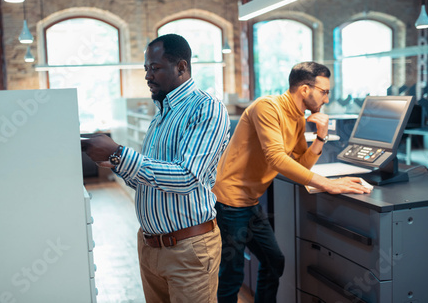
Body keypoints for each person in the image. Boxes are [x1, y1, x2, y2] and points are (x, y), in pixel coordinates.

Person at [82, 33, 230, 303]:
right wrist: (116, 163)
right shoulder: (161, 114)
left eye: (156, 68)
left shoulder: (207, 108)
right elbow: (149, 180)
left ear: (181, 67)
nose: (148, 76)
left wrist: (119, 153)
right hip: (150, 246)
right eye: (146, 69)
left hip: (189, 249)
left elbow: (187, 176)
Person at [212, 61, 372, 303]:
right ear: (305, 90)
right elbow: (276, 158)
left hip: (250, 201)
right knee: (231, 276)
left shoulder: (297, 117)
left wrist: (321, 136)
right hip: (230, 201)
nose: (326, 99)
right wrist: (327, 184)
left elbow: (300, 164)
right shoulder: (267, 107)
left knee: (274, 261)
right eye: (324, 92)